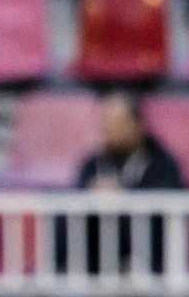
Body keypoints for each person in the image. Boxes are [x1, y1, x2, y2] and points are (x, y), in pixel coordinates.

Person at [71, 94, 183, 276]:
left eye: (118, 124)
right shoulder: (94, 163)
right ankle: (63, 272)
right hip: (99, 258)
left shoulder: (162, 162)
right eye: (106, 123)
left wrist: (122, 194)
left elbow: (167, 197)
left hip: (149, 260)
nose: (110, 129)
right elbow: (75, 196)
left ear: (138, 126)